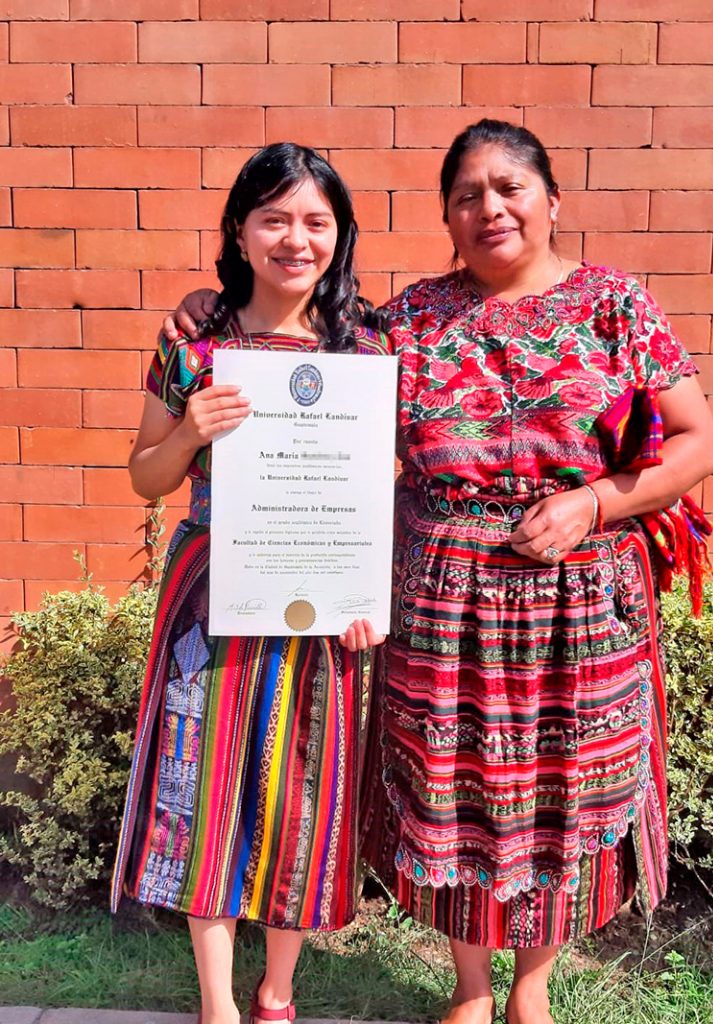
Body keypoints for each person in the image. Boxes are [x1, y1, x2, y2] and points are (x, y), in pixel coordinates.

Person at [164, 121, 713, 1024]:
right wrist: (210, 307)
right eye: (467, 196)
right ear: (447, 218)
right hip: (445, 608)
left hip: (578, 603)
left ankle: (532, 988)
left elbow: (701, 443)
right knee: (457, 794)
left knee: (561, 792)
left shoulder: (618, 307)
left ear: (551, 200)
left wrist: (597, 502)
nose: (489, 208)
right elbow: (307, 367)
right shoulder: (412, 319)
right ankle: (468, 986)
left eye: (509, 188)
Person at [112, 142, 388, 1024]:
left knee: (298, 782)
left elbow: (384, 480)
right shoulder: (197, 341)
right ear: (240, 227)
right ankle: (216, 1002)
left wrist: (362, 592)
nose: (294, 239)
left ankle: (278, 990)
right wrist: (188, 430)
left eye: (316, 221)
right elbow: (145, 478)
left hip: (320, 599)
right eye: (274, 218)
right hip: (214, 596)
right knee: (205, 781)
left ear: (340, 234)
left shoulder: (373, 344)